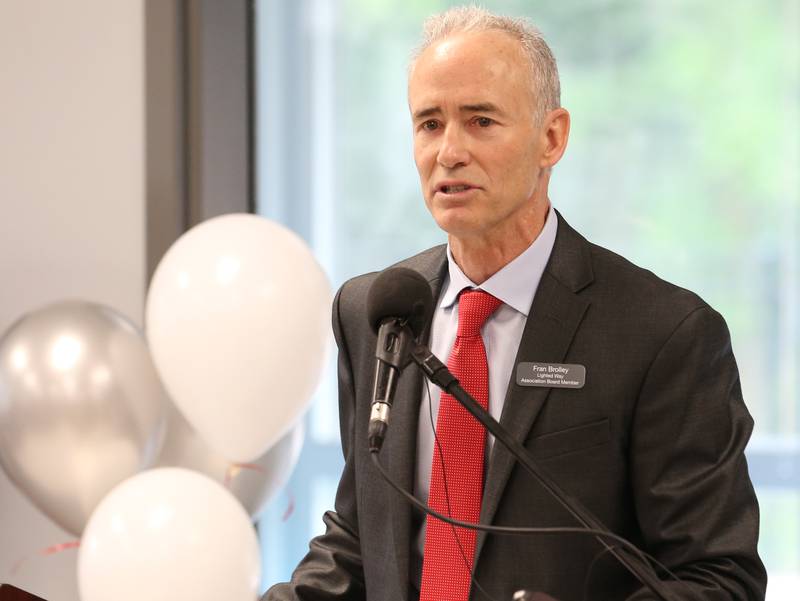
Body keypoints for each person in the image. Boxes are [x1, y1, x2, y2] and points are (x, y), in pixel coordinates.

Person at [264, 6, 766, 601]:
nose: (448, 152)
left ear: (551, 138)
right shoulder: (373, 310)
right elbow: (361, 538)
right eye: (429, 123)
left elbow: (718, 579)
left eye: (480, 121)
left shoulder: (664, 334)